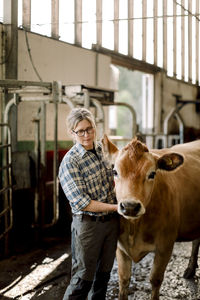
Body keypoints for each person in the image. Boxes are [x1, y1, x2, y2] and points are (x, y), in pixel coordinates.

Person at [59, 107, 119, 300]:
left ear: (95, 127)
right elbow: (82, 203)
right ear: (72, 133)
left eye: (90, 129)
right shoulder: (70, 162)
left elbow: (116, 180)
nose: (86, 135)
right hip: (88, 226)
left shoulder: (103, 151)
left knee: (103, 278)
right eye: (81, 131)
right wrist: (117, 208)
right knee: (82, 280)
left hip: (110, 224)